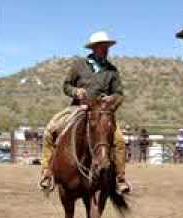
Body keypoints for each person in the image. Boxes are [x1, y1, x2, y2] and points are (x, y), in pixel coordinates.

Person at [39, 31, 131, 193]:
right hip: (78, 108)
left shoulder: (112, 71)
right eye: (102, 46)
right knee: (50, 130)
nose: (105, 49)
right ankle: (47, 172)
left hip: (102, 113)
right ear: (94, 48)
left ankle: (119, 178)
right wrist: (76, 92)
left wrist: (111, 101)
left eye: (107, 46)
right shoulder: (79, 66)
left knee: (119, 141)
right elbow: (66, 86)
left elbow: (120, 94)